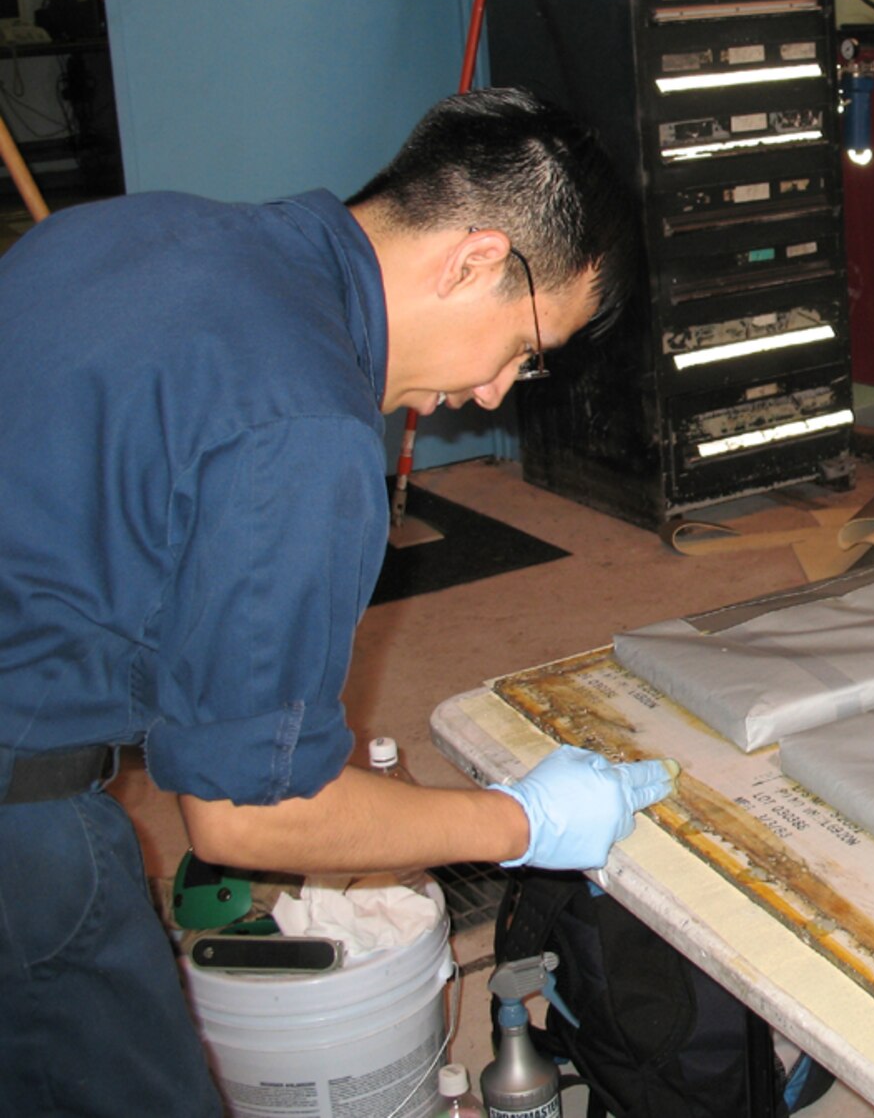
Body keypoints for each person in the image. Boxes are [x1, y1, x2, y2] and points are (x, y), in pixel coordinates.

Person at [0, 89, 672, 1118]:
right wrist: (519, 822)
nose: (498, 392)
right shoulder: (307, 434)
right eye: (526, 348)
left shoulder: (125, 227)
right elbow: (248, 820)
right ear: (474, 261)